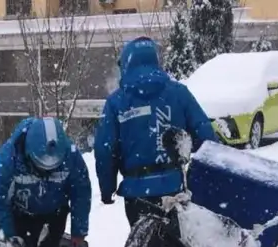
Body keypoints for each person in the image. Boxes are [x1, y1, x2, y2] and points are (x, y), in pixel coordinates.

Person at [93, 36, 219, 227]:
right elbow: (206, 136)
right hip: (174, 189)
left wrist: (107, 188)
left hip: (137, 194)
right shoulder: (178, 93)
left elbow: (105, 149)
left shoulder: (117, 102)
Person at [0, 116, 91, 247]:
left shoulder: (71, 156)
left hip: (55, 212)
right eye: (41, 166)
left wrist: (79, 229)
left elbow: (81, 192)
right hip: (20, 212)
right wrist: (9, 235)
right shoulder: (9, 157)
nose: (47, 171)